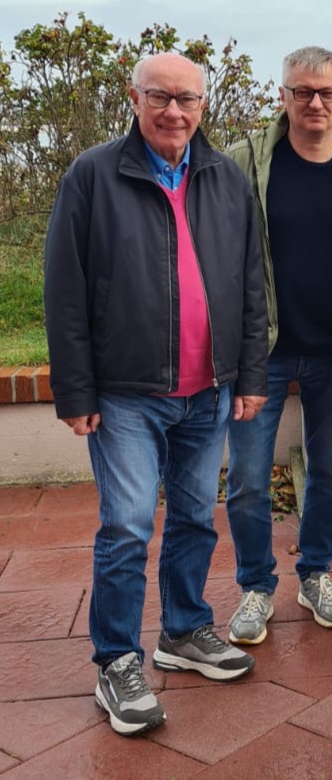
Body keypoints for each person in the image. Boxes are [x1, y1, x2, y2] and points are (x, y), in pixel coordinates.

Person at [43, 53, 268, 737]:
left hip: (210, 388)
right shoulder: (92, 174)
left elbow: (252, 284)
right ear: (133, 98)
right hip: (126, 393)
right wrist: (74, 388)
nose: (174, 110)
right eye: (160, 96)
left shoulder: (227, 177)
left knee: (198, 516)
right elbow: (65, 290)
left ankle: (183, 627)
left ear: (205, 104)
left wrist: (250, 374)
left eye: (187, 98)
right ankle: (116, 660)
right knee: (128, 524)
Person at [224, 46, 332, 644]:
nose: (315, 102)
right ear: (283, 95)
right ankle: (256, 587)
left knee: (330, 474)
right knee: (246, 478)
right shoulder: (243, 165)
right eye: (302, 91)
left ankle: (314, 573)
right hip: (259, 352)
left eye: (328, 93)